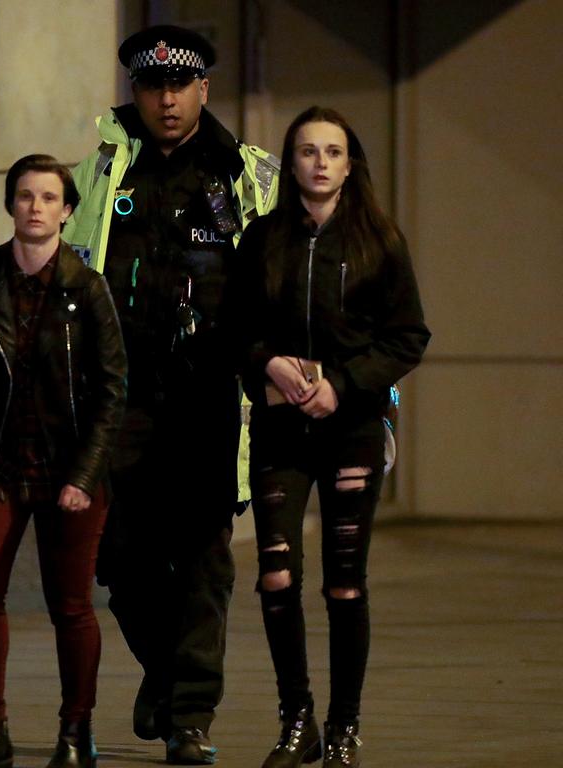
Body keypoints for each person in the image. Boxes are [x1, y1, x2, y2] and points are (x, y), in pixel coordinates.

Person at [62, 25, 278, 764]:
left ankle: (191, 716)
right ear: (135, 93)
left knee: (204, 559)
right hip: (117, 396)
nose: (167, 99)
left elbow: (280, 285)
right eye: (153, 87)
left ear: (203, 90)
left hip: (210, 397)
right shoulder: (97, 171)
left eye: (180, 86)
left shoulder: (244, 175)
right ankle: (164, 671)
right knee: (118, 556)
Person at [237, 106, 430, 768]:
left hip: (350, 428)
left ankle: (345, 728)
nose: (319, 162)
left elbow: (409, 337)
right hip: (281, 430)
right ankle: (298, 721)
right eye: (307, 151)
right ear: (289, 164)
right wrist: (269, 363)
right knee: (277, 573)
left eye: (332, 151)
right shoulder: (263, 240)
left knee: (344, 582)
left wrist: (343, 383)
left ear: (351, 165)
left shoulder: (380, 242)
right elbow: (237, 329)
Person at [0, 155, 127, 768]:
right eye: (25, 196)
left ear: (68, 210)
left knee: (69, 602)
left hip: (69, 466)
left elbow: (111, 387)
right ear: (10, 205)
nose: (36, 207)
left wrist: (83, 473)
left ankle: (77, 732)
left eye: (49, 198)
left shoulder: (87, 288)